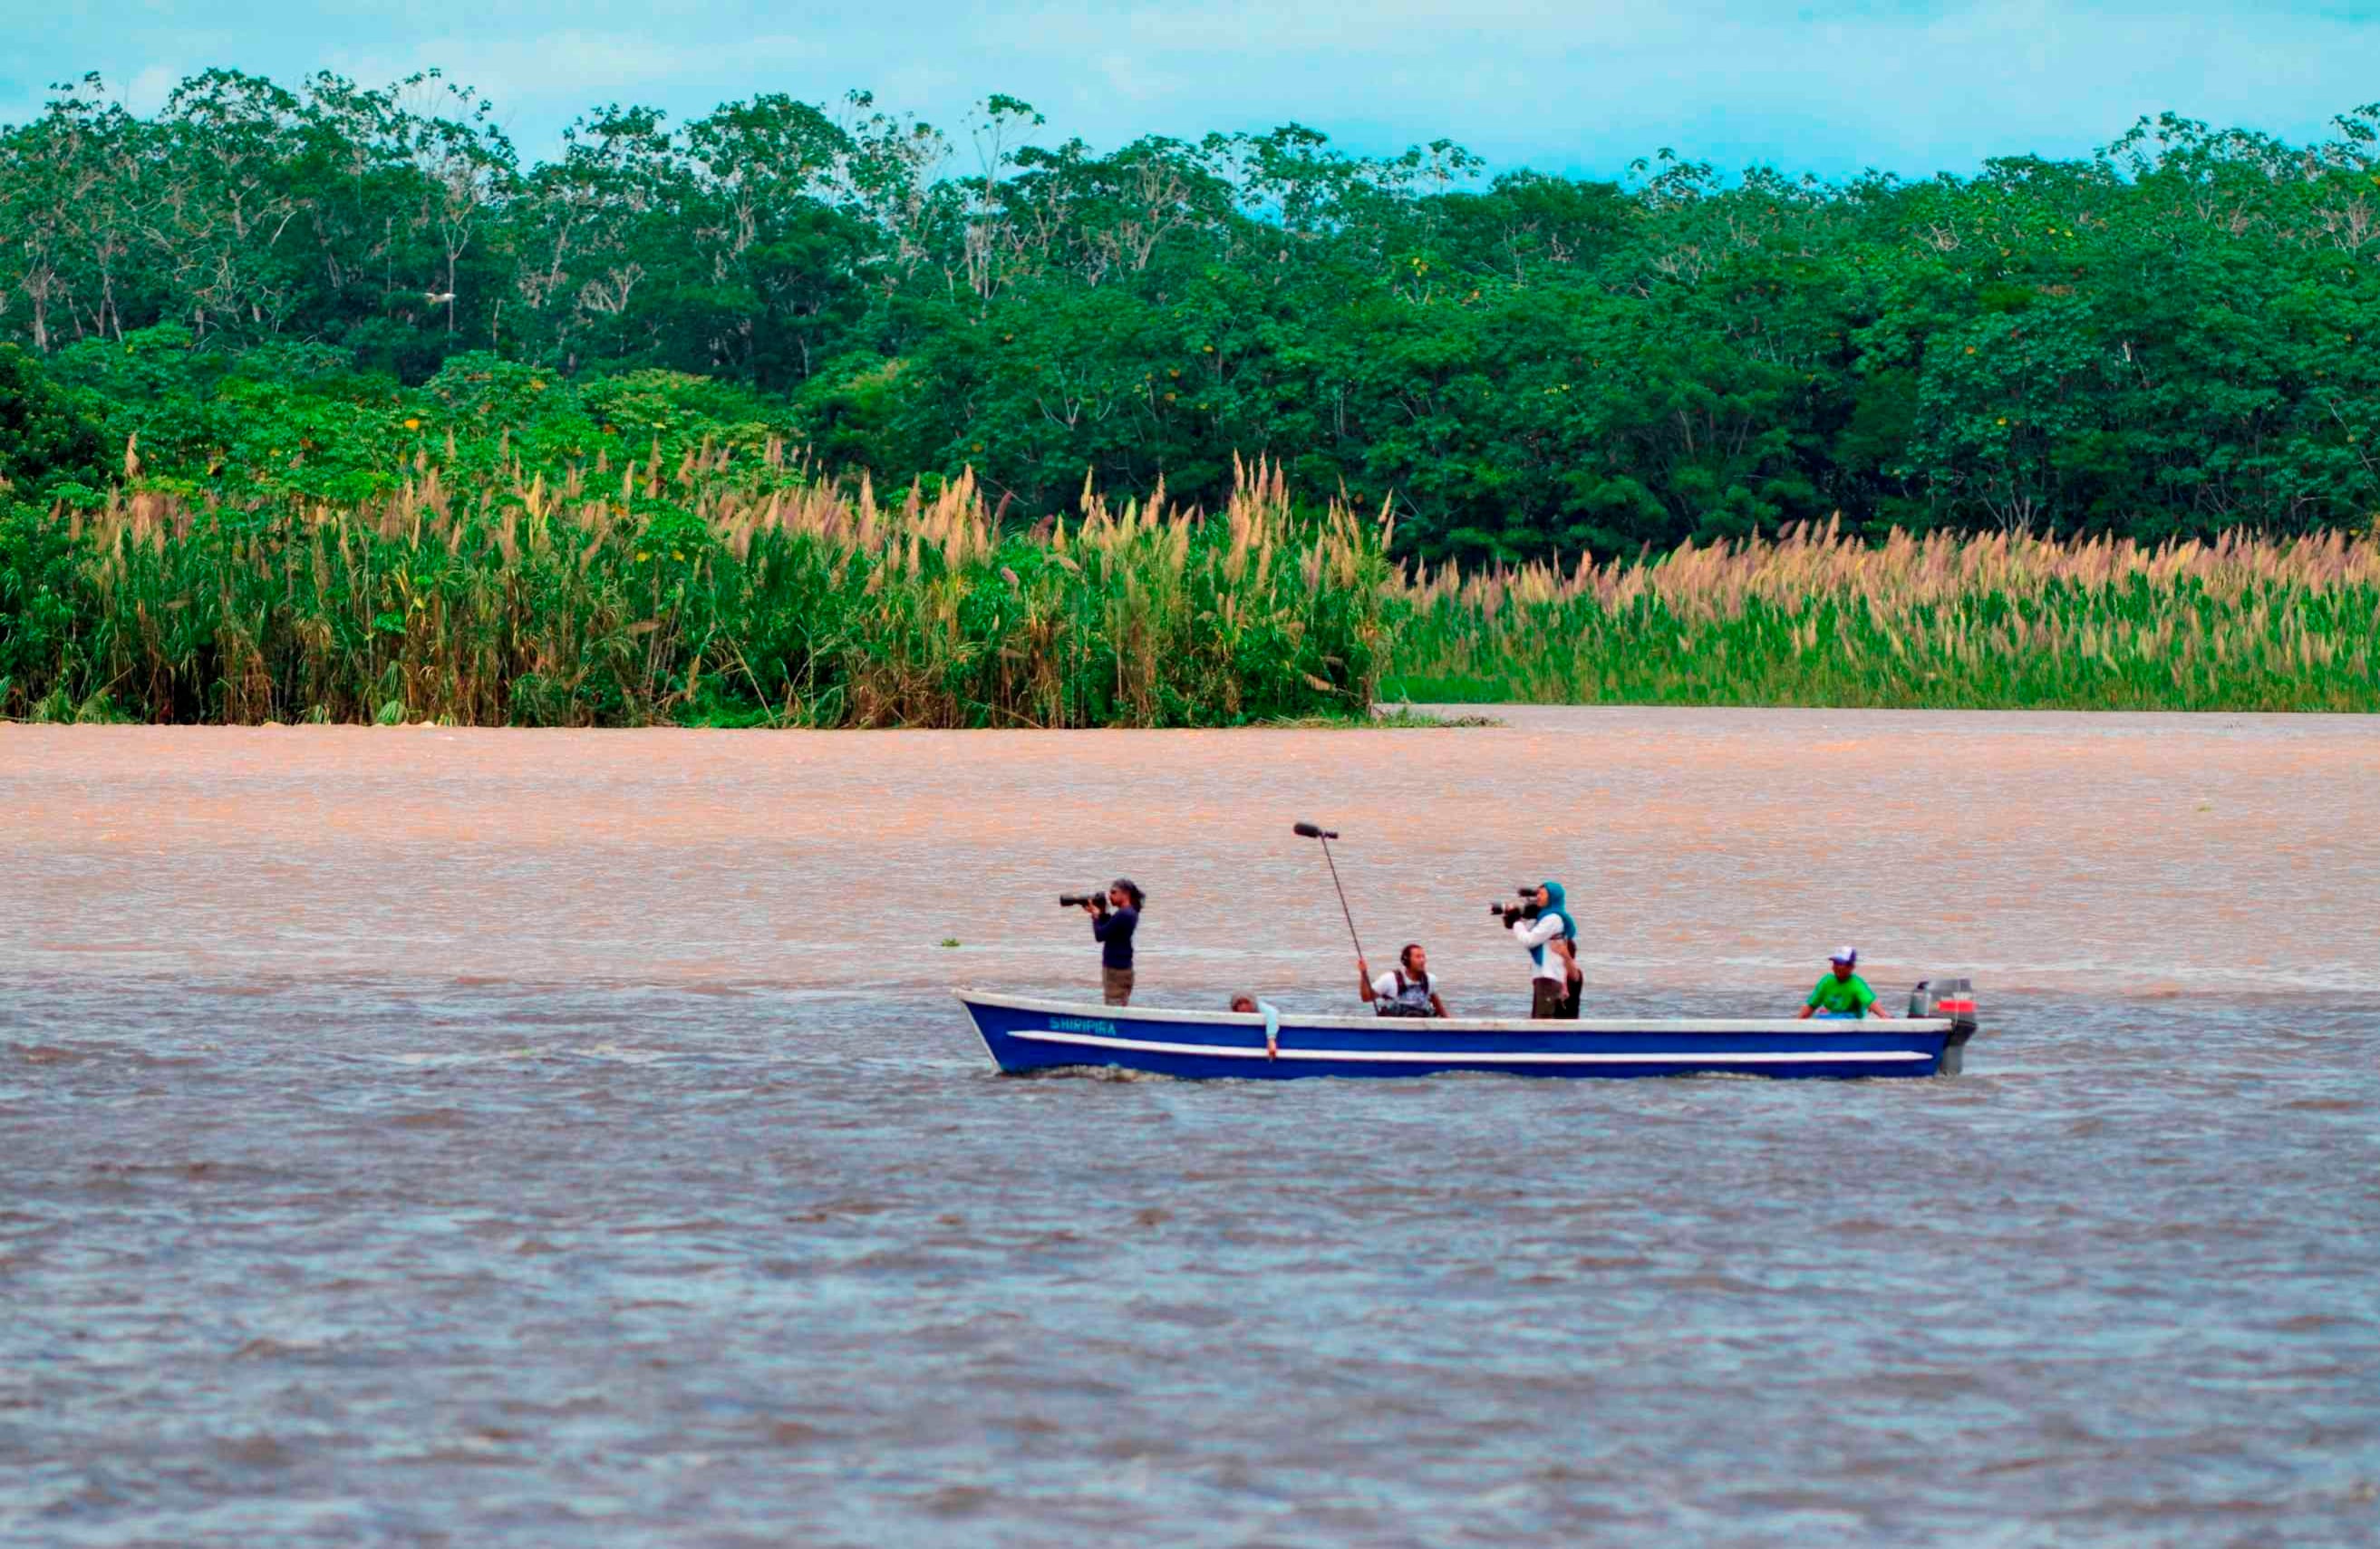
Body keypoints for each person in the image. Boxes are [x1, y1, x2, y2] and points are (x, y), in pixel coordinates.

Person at [1507, 881, 1580, 1019]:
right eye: (1537, 893)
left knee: (1542, 1021)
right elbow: (1534, 933)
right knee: (1538, 1020)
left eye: (1541, 894)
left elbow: (1529, 940)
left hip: (1548, 978)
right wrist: (1518, 918)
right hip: (1545, 978)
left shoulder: (1552, 919)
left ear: (1552, 897)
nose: (1537, 897)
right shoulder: (1547, 918)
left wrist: (1516, 921)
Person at [1079, 878, 1146, 1005]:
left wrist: (1095, 916)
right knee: (1119, 1008)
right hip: (1122, 968)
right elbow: (1111, 930)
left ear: (1125, 894)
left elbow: (1100, 935)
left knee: (1114, 1011)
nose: (1110, 896)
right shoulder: (1129, 912)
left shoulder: (1124, 914)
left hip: (1116, 972)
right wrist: (1102, 913)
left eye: (1114, 892)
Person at [1358, 944, 1448, 1018]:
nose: (1422, 960)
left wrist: (1450, 1024)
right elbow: (1366, 997)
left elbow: (1438, 1005)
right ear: (1406, 961)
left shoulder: (1430, 980)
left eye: (1423, 957)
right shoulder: (1390, 979)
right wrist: (1363, 974)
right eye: (1418, 957)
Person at [1798, 947, 1888, 1019]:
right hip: (1830, 1019)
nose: (1836, 967)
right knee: (1822, 1013)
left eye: (1840, 963)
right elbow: (1811, 1006)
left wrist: (1884, 1016)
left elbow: (1870, 1003)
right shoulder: (1826, 982)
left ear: (1851, 967)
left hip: (1851, 1019)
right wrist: (1798, 1022)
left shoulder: (1856, 984)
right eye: (1835, 963)